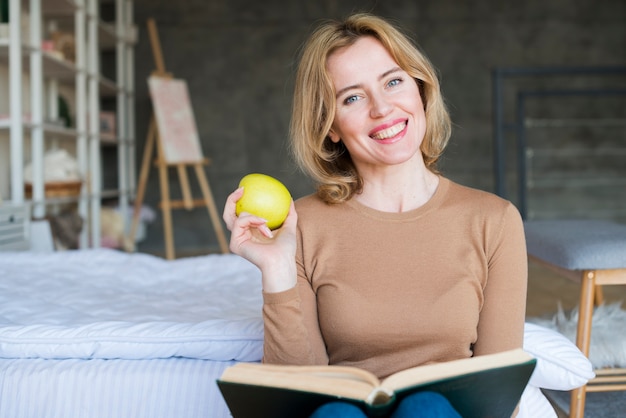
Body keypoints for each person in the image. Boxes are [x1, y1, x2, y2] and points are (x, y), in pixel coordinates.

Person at [223, 12, 527, 417]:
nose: (382, 108)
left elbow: (495, 394)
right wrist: (276, 270)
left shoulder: (495, 220)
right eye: (352, 97)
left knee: (428, 410)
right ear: (330, 125)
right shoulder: (300, 225)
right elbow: (298, 396)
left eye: (393, 81)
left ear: (419, 90)